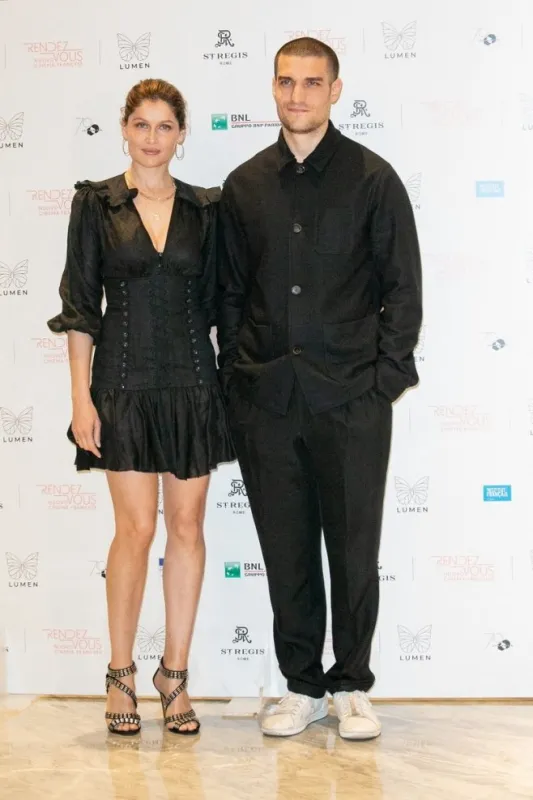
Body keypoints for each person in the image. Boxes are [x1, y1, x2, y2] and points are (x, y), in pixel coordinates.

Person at [217, 38, 422, 740]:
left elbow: (402, 289)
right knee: (286, 548)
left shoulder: (372, 179)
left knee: (353, 546)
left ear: (336, 90)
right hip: (267, 401)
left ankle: (351, 683)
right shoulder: (243, 186)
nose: (296, 95)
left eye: (311, 82)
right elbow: (228, 297)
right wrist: (237, 385)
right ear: (271, 88)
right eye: (285, 82)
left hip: (350, 402)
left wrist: (381, 382)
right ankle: (301, 683)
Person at [48, 78, 234, 736]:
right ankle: (120, 674)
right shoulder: (95, 205)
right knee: (135, 532)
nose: (153, 137)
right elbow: (79, 308)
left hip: (191, 385)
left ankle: (174, 676)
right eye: (142, 124)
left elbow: (219, 308)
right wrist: (80, 397)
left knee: (187, 530)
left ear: (182, 135)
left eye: (165, 126)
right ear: (124, 129)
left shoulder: (206, 210)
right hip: (120, 388)